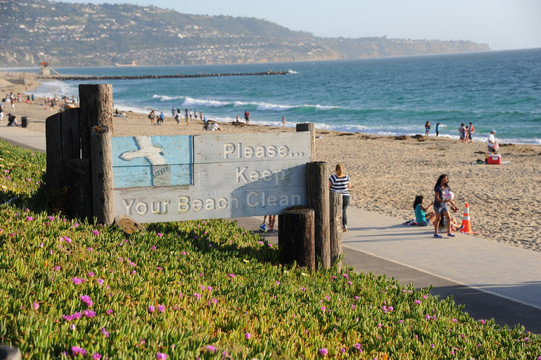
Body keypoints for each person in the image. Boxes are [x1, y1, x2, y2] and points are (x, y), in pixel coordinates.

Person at [329, 164, 351, 232]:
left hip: (335, 196)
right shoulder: (347, 177)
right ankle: (344, 225)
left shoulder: (333, 177)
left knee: (334, 210)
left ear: (335, 170)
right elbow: (349, 187)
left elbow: (328, 187)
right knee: (343, 210)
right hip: (346, 196)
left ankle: (334, 225)